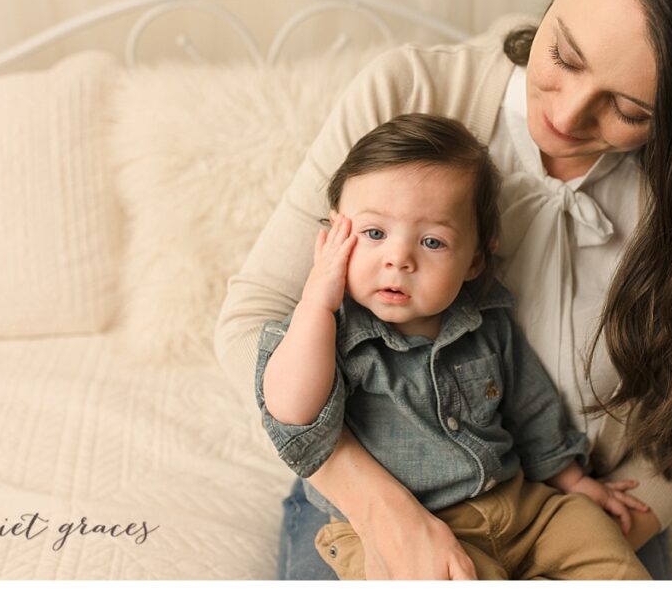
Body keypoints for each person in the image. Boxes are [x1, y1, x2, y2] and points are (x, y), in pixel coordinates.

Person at [215, 0, 672, 580]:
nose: (565, 116)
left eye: (629, 110)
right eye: (564, 55)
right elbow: (253, 322)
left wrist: (620, 522)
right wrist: (384, 510)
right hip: (372, 504)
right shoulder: (409, 94)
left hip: (569, 510)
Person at [255, 114, 651, 580]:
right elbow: (292, 412)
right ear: (336, 235)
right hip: (400, 532)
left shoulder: (486, 318)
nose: (398, 258)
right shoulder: (330, 331)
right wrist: (316, 306)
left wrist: (572, 480)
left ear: (475, 260)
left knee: (596, 537)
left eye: (432, 241)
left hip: (519, 506)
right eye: (374, 233)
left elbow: (531, 406)